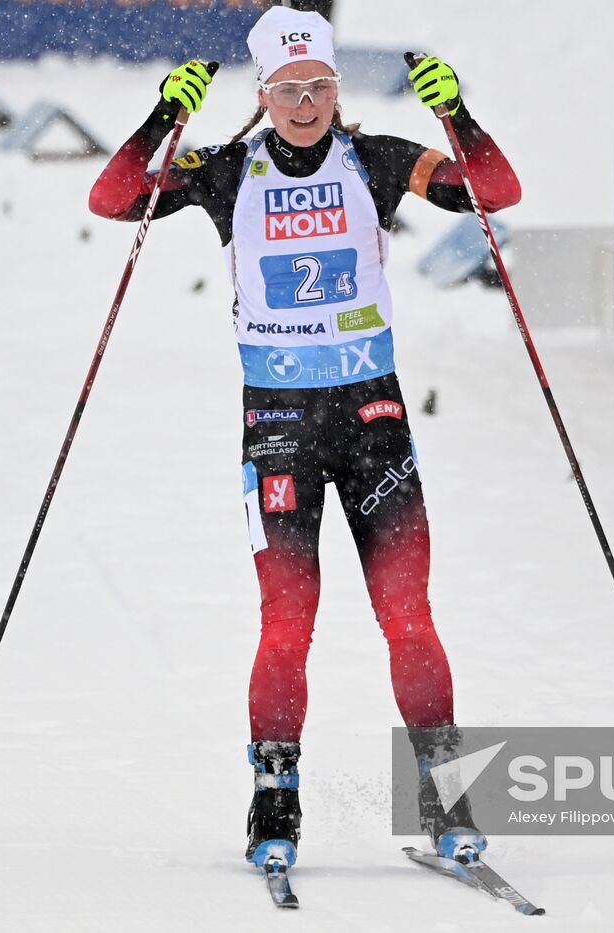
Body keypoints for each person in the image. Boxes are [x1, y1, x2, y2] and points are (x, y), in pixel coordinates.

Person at [87, 6, 520, 870]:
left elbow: (494, 192)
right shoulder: (226, 170)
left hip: (372, 420)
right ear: (262, 93)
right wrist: (166, 115)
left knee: (408, 615)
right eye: (287, 89)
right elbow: (112, 199)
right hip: (278, 427)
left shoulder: (376, 160)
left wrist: (455, 114)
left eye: (318, 85)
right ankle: (274, 802)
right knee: (287, 624)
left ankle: (445, 799)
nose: (305, 104)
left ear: (336, 87)